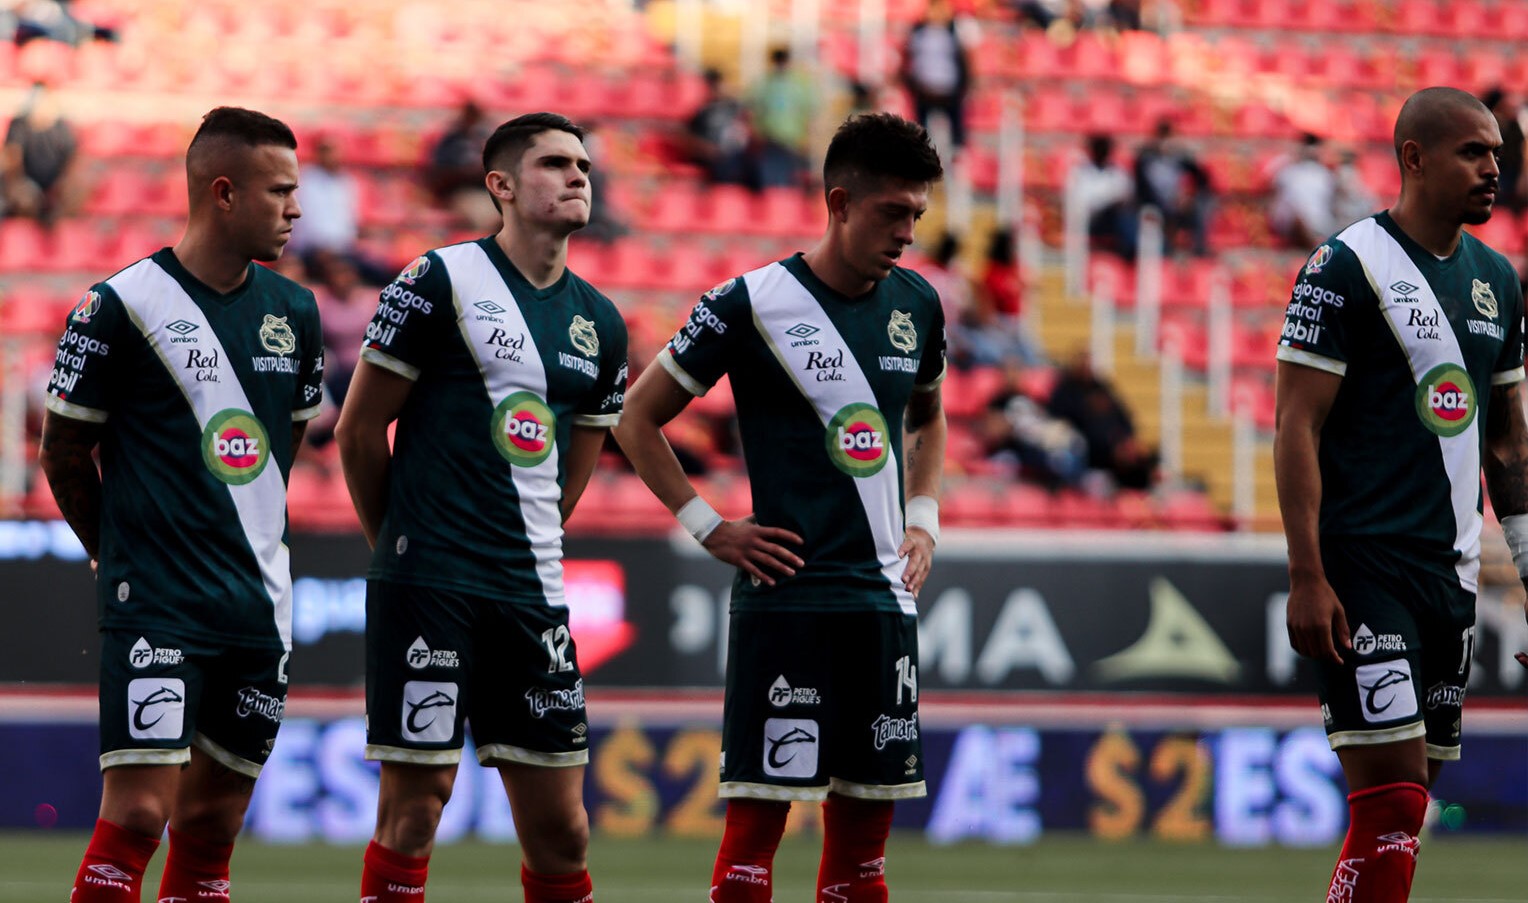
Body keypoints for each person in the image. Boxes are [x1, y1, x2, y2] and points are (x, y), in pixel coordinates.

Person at [613, 111, 946, 903]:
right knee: (756, 832)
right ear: (838, 201)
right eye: (891, 212)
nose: (907, 232)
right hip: (786, 598)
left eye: (917, 215)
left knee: (865, 846)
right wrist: (709, 526)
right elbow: (635, 416)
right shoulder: (748, 304)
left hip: (880, 602)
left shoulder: (919, 305)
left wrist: (924, 517)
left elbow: (928, 416)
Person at [335, 112, 626, 903]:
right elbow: (360, 430)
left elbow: (575, 471)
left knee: (563, 829)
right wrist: (398, 544)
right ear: (499, 185)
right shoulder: (440, 280)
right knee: (416, 806)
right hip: (428, 581)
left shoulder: (600, 322)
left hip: (531, 593)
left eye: (584, 165)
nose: (577, 176)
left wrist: (527, 541)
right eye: (555, 164)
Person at [37, 106, 320, 902]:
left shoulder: (294, 314)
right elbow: (61, 450)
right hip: (157, 604)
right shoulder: (118, 306)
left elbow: (279, 452)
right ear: (223, 193)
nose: (297, 207)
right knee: (136, 815)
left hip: (260, 610)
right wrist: (114, 548)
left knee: (214, 826)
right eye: (280, 191)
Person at [1274, 87, 1528, 903]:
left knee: (1404, 812)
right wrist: (1308, 573)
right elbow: (1295, 427)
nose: (1496, 168)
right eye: (1474, 153)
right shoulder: (1345, 266)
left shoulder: (1498, 282)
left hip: (1447, 581)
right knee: (1391, 803)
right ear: (1414, 158)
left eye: (1497, 153)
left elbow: (1509, 447)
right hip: (1364, 567)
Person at [2, 81, 80, 222]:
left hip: (55, 184)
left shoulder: (61, 127)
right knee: (24, 198)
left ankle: (54, 230)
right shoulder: (19, 125)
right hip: (27, 182)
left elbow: (72, 158)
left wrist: (63, 184)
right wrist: (21, 184)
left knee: (75, 193)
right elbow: (13, 160)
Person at [1134, 117, 1212, 257]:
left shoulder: (1179, 156)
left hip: (1176, 201)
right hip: (1154, 202)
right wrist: (1163, 202)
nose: (1165, 140)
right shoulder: (1145, 157)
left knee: (1203, 204)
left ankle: (1199, 248)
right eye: (1162, 136)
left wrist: (1189, 197)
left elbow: (1203, 179)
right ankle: (1166, 250)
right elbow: (1142, 188)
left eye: (1169, 136)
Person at [900, 0, 971, 154]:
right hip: (924, 91)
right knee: (919, 134)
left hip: (950, 92)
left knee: (957, 136)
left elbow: (966, 61)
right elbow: (906, 60)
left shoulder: (957, 32)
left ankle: (956, 159)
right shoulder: (917, 33)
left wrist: (964, 85)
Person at [749, 47, 817, 189]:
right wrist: (757, 135)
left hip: (793, 140)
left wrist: (807, 138)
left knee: (791, 182)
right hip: (770, 140)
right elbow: (754, 111)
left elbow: (808, 113)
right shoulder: (764, 83)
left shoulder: (800, 83)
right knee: (770, 181)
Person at [1268, 132, 1336, 250]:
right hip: (1291, 220)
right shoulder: (1287, 168)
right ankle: (1316, 248)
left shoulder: (1324, 174)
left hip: (1319, 221)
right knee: (1300, 217)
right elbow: (1269, 180)